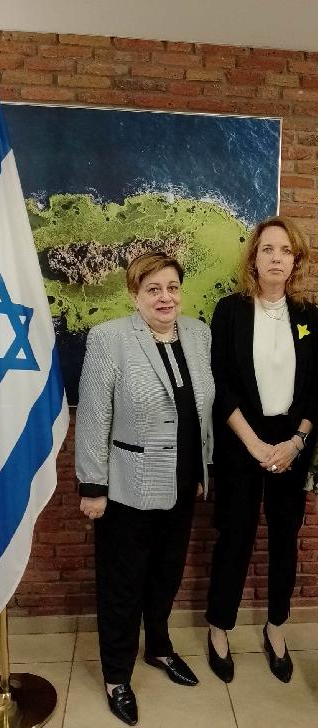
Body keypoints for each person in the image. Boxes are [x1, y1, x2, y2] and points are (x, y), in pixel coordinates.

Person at [75, 251, 214, 726]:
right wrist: (93, 486)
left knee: (165, 575)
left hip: (182, 485)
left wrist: (203, 469)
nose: (165, 297)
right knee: (122, 586)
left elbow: (199, 412)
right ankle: (116, 676)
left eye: (172, 287)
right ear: (134, 294)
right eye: (153, 289)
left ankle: (158, 647)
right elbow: (93, 417)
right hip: (126, 490)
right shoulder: (109, 339)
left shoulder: (198, 334)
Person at [205, 215, 318, 685]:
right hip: (240, 442)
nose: (276, 258)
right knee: (235, 535)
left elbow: (316, 390)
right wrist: (253, 443)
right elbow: (220, 383)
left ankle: (276, 627)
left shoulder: (310, 316)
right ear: (254, 258)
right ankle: (219, 627)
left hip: (292, 444)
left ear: (296, 261)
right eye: (268, 249)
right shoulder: (229, 312)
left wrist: (296, 441)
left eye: (285, 251)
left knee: (284, 540)